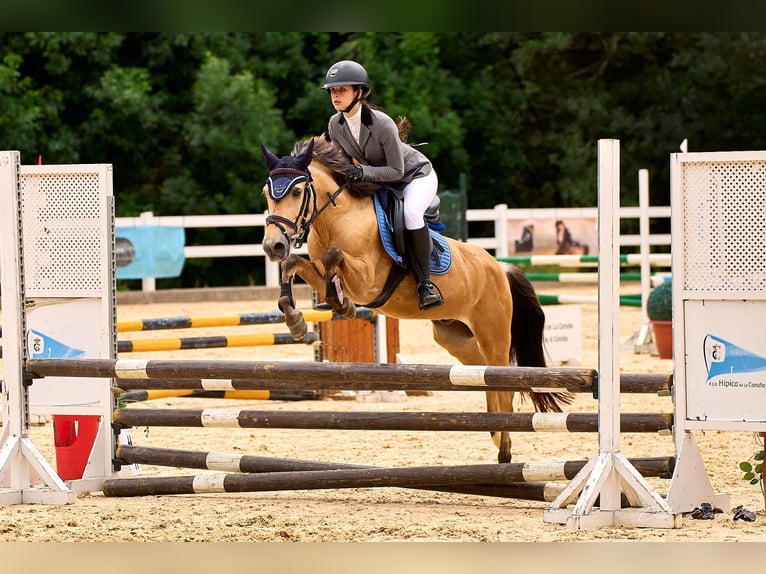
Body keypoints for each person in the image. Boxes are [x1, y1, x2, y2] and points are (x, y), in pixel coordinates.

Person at [321, 59, 444, 310]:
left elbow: (396, 170)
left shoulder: (382, 123)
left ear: (359, 92)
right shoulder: (336, 124)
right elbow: (346, 163)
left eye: (341, 89)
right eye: (333, 90)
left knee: (410, 214)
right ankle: (338, 288)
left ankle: (425, 284)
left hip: (414, 176)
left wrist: (361, 171)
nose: (335, 95)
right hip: (381, 180)